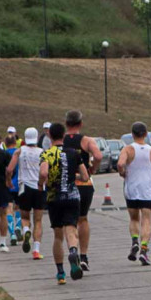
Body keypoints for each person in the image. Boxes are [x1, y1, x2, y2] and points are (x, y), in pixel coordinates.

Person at [40, 122, 89, 284]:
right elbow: (85, 177)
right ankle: (74, 251)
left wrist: (42, 183)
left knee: (57, 236)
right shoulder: (74, 153)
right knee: (71, 229)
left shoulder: (47, 154)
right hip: (72, 196)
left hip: (54, 198)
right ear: (63, 136)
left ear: (50, 136)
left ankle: (60, 273)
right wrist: (72, 178)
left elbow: (44, 172)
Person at [63, 110, 104, 272]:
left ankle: (73, 251)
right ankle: (84, 255)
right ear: (80, 124)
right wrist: (92, 168)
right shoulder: (86, 141)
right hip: (84, 184)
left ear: (66, 124)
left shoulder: (61, 141)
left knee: (69, 223)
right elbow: (99, 156)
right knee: (83, 219)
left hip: (66, 185)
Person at [117, 122, 151, 266]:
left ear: (132, 134)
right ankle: (143, 249)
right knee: (147, 220)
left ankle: (135, 240)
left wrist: (122, 172)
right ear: (146, 134)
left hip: (131, 188)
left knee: (134, 218)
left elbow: (120, 164)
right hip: (146, 189)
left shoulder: (128, 149)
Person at [7, 128, 46, 259]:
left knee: (25, 217)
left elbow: (9, 169)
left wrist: (9, 181)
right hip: (39, 187)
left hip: (24, 187)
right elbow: (46, 171)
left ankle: (26, 230)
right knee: (38, 220)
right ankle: (36, 250)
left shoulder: (19, 151)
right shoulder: (42, 152)